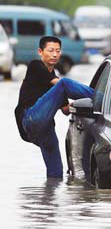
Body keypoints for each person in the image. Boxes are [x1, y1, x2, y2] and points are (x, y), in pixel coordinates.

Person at [15, 36, 94, 178]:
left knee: (56, 172)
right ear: (40, 51)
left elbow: (65, 110)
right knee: (64, 83)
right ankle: (102, 96)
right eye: (50, 50)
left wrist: (81, 105)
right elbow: (62, 84)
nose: (55, 54)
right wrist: (94, 97)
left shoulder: (55, 81)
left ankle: (50, 196)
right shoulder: (35, 66)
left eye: (58, 51)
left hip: (45, 128)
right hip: (30, 117)